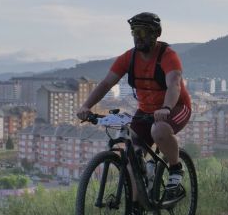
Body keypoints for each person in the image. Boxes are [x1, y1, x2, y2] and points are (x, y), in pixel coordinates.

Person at [75, 12, 193, 199]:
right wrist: (86, 106)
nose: (138, 37)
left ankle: (175, 168)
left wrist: (166, 108)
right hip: (145, 111)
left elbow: (174, 84)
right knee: (132, 160)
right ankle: (137, 207)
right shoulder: (129, 58)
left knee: (159, 130)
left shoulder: (168, 56)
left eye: (143, 32)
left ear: (156, 33)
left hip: (175, 107)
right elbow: (106, 83)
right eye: (134, 32)